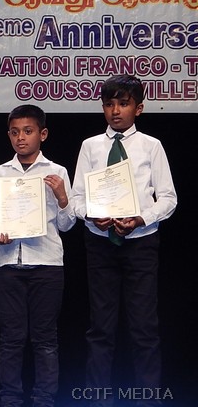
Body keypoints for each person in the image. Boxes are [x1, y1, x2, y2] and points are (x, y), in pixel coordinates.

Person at [70, 75, 177, 407]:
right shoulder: (90, 146)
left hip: (141, 244)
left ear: (138, 108)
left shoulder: (151, 146)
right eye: (109, 104)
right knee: (100, 328)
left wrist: (141, 218)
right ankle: (97, 399)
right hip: (100, 243)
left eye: (123, 103)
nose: (115, 111)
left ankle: (148, 399)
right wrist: (91, 215)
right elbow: (76, 199)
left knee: (144, 327)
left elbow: (168, 198)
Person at [0, 104, 76, 407]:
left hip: (46, 263)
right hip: (8, 262)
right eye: (15, 132)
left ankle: (44, 399)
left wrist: (63, 198)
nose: (21, 138)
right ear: (9, 135)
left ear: (42, 134)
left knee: (45, 337)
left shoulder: (57, 172)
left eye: (28, 131)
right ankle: (10, 399)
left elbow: (66, 224)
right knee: (11, 337)